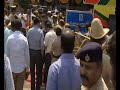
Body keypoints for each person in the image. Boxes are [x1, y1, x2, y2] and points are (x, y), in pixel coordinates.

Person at [79, 18, 112, 89]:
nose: (83, 72)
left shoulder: (84, 56)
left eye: (88, 67)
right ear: (104, 39)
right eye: (82, 65)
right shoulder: (109, 60)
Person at [5, 19, 30, 90]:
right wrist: (27, 69)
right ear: (21, 27)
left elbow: (6, 55)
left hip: (11, 69)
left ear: (12, 27)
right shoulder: (24, 39)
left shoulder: (9, 39)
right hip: (21, 69)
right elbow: (27, 55)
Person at [27, 17, 44, 90]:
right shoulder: (40, 31)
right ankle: (37, 88)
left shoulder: (29, 31)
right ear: (38, 23)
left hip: (31, 51)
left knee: (32, 71)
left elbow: (27, 42)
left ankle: (32, 88)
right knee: (38, 71)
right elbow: (42, 45)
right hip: (38, 52)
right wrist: (42, 52)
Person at [43, 21, 57, 86]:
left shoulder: (47, 34)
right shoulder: (55, 33)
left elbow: (45, 45)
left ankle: (46, 82)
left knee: (47, 68)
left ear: (47, 27)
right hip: (54, 53)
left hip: (48, 53)